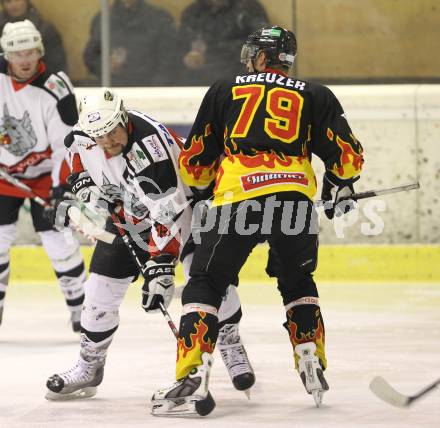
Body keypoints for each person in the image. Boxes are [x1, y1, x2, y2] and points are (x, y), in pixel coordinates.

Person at [151, 25, 364, 416]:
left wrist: (200, 191)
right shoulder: (316, 94)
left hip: (237, 200)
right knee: (297, 281)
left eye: (253, 54)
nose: (248, 60)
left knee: (206, 282)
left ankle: (192, 370)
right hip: (294, 201)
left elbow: (196, 162)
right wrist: (337, 187)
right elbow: (348, 158)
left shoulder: (224, 89)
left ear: (263, 57)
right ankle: (310, 358)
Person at [45, 88, 255, 400]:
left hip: (188, 210)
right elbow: (74, 158)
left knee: (211, 283)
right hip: (132, 214)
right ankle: (89, 366)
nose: (107, 143)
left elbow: (169, 216)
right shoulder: (84, 134)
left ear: (123, 118)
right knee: (99, 290)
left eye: (112, 133)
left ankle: (230, 342)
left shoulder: (152, 151)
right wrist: (86, 184)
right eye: (99, 137)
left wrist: (160, 270)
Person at [0, 20, 85, 331]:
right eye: (17, 53)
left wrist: (61, 188)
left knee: (57, 240)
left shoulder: (56, 88)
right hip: (4, 174)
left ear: (40, 51)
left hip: (47, 173)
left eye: (31, 52)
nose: (25, 60)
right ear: (6, 54)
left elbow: (68, 144)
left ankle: (82, 310)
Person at [82, 0, 177, 86]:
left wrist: (151, 92)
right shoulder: (103, 18)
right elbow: (90, 57)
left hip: (148, 90)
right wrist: (105, 65)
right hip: (112, 91)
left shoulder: (159, 18)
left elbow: (169, 60)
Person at [177, 0, 268, 85]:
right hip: (198, 82)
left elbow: (262, 45)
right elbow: (178, 49)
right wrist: (189, 58)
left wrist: (213, 51)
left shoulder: (248, 9)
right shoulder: (192, 13)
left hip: (240, 80)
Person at [0, 0, 67, 72]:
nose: (14, 4)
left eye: (17, 0)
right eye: (8, 1)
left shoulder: (46, 30)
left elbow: (57, 64)